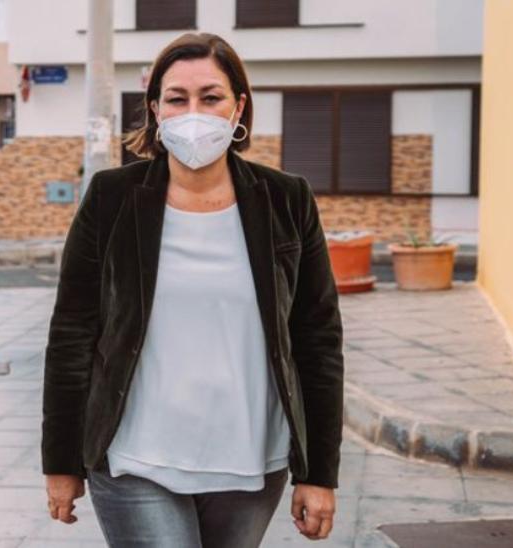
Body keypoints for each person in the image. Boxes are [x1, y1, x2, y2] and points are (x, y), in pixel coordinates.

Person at [41, 32, 345, 547]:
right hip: (133, 456)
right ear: (156, 110)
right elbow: (72, 331)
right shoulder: (113, 199)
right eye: (177, 99)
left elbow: (317, 339)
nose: (193, 112)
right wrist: (61, 460)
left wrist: (319, 473)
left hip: (252, 460)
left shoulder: (286, 200)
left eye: (211, 97)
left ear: (238, 107)